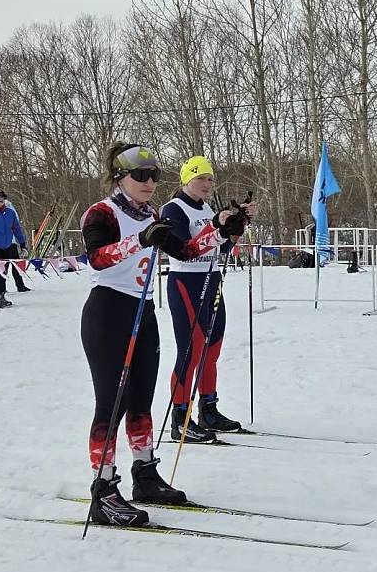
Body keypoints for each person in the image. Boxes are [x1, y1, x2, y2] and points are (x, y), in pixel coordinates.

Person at [80, 143, 243, 526]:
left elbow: (185, 251)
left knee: (141, 401)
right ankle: (103, 491)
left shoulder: (152, 215)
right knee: (112, 404)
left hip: (143, 311)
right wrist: (140, 240)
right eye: (140, 175)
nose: (149, 182)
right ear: (119, 177)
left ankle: (145, 474)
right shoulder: (102, 212)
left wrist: (220, 232)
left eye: (154, 175)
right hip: (108, 312)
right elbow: (97, 257)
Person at [159, 156, 255, 442]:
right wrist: (216, 226)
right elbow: (184, 249)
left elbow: (221, 249)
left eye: (210, 179)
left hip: (211, 280)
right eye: (200, 178)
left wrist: (237, 226)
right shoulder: (173, 209)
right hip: (186, 282)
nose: (207, 184)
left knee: (211, 350)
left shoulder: (207, 207)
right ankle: (180, 419)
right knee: (191, 352)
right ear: (186, 179)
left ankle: (208, 410)